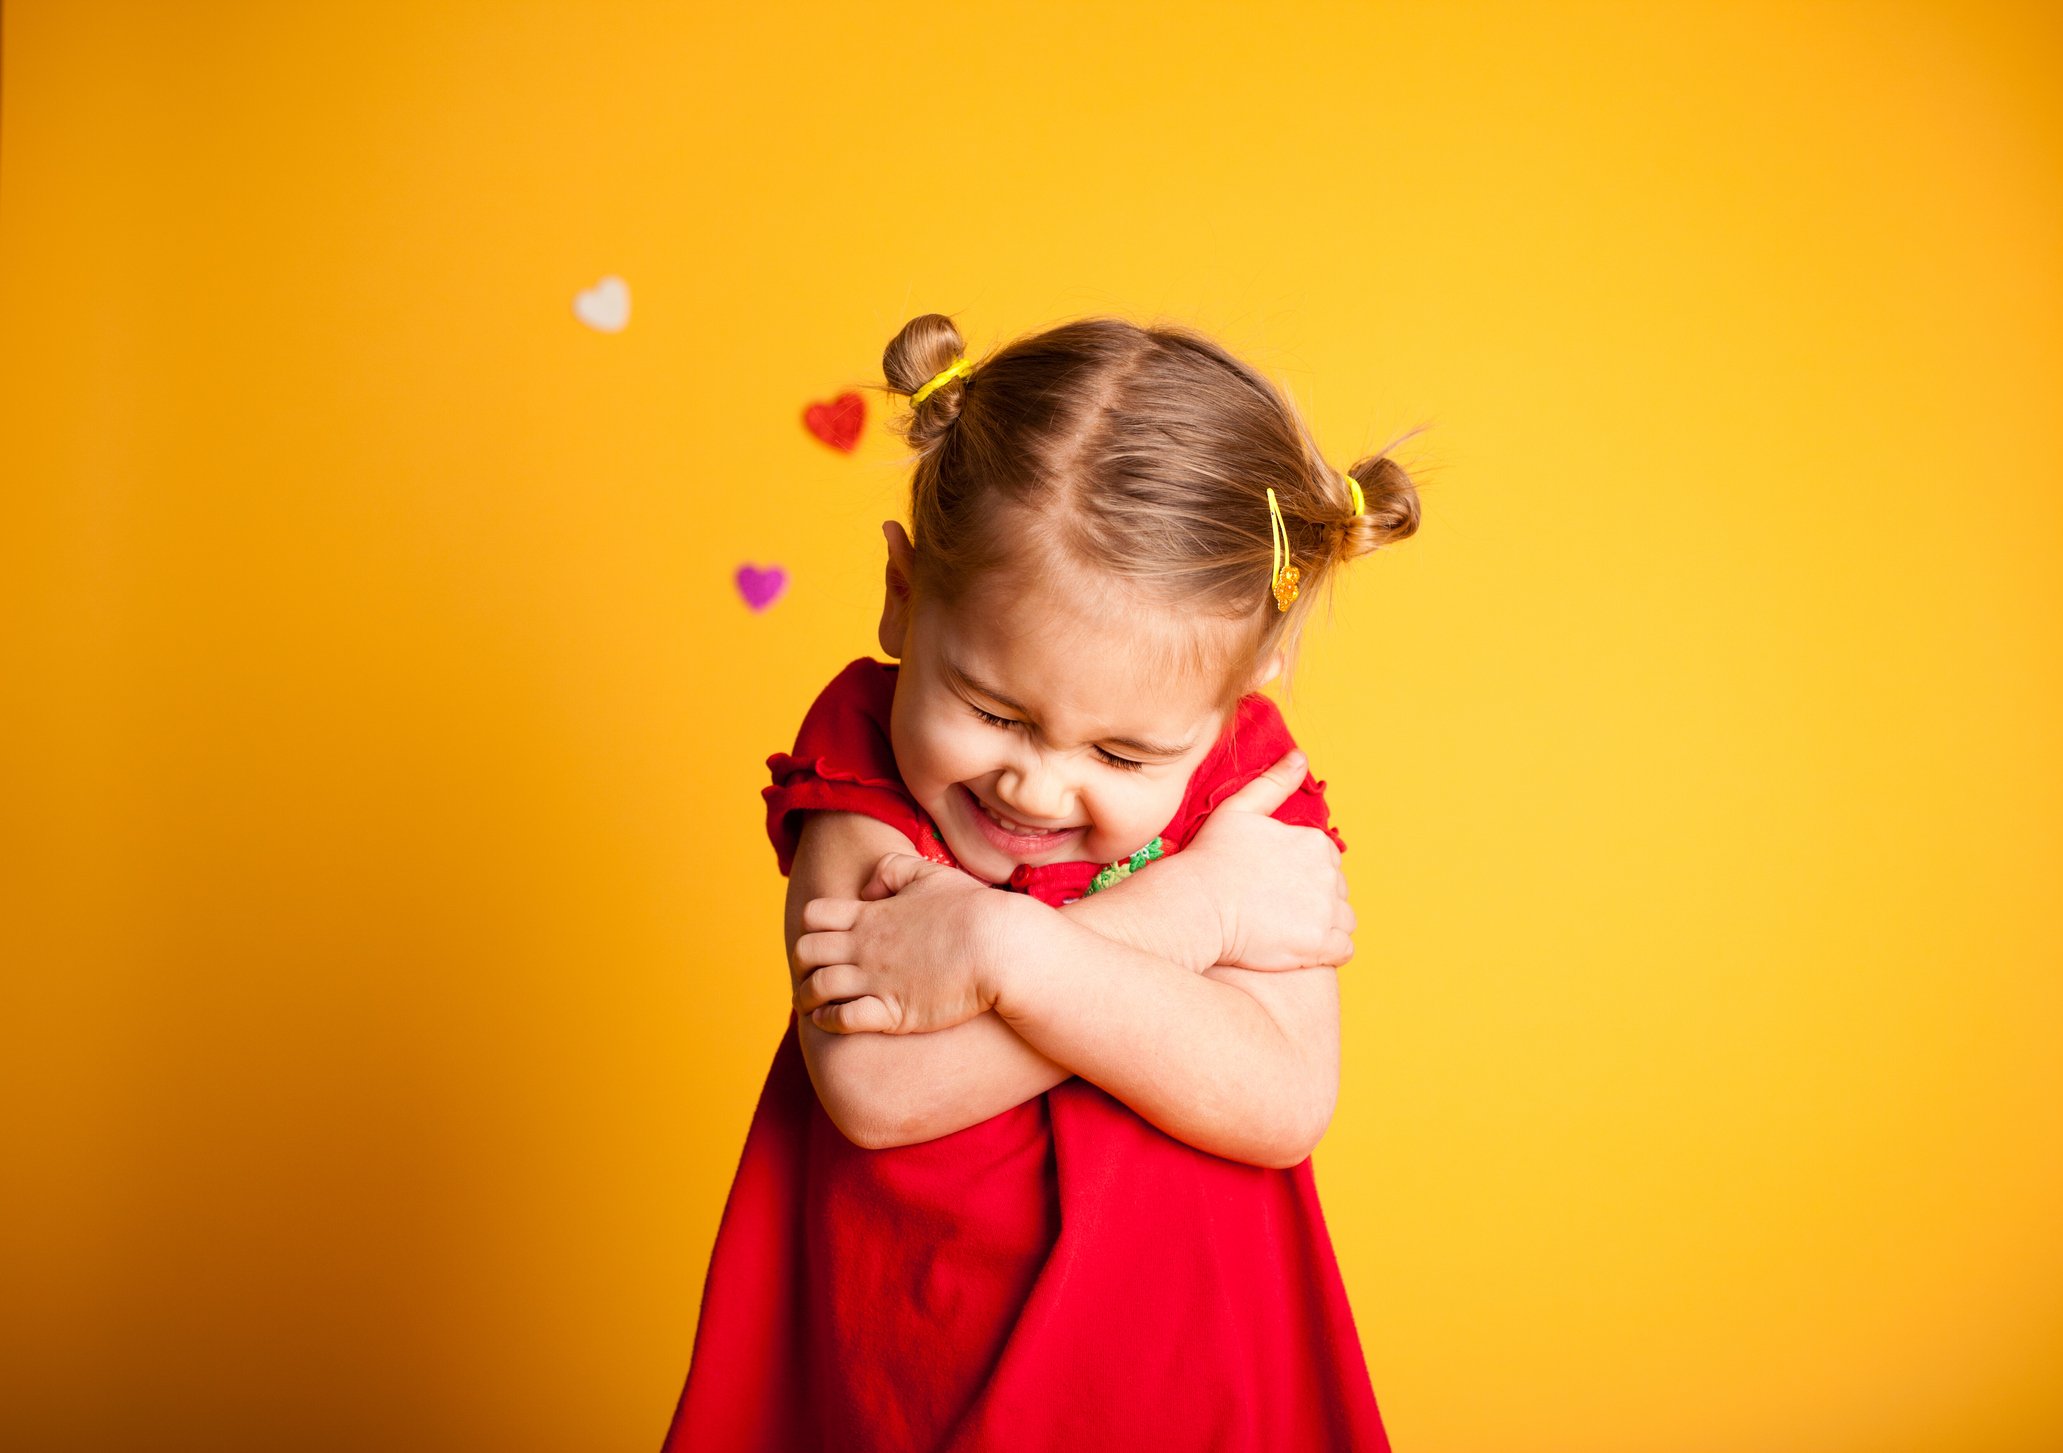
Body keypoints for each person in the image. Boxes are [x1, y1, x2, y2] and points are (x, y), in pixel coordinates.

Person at [660, 313, 1424, 1452]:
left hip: (1186, 1373)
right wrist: (1185, 912)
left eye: (1121, 756)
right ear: (902, 598)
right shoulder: (866, 761)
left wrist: (1010, 954)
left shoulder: (1246, 799)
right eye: (990, 710)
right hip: (920, 1363)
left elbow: (1280, 1102)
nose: (1037, 783)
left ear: (1242, 690)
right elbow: (873, 1085)